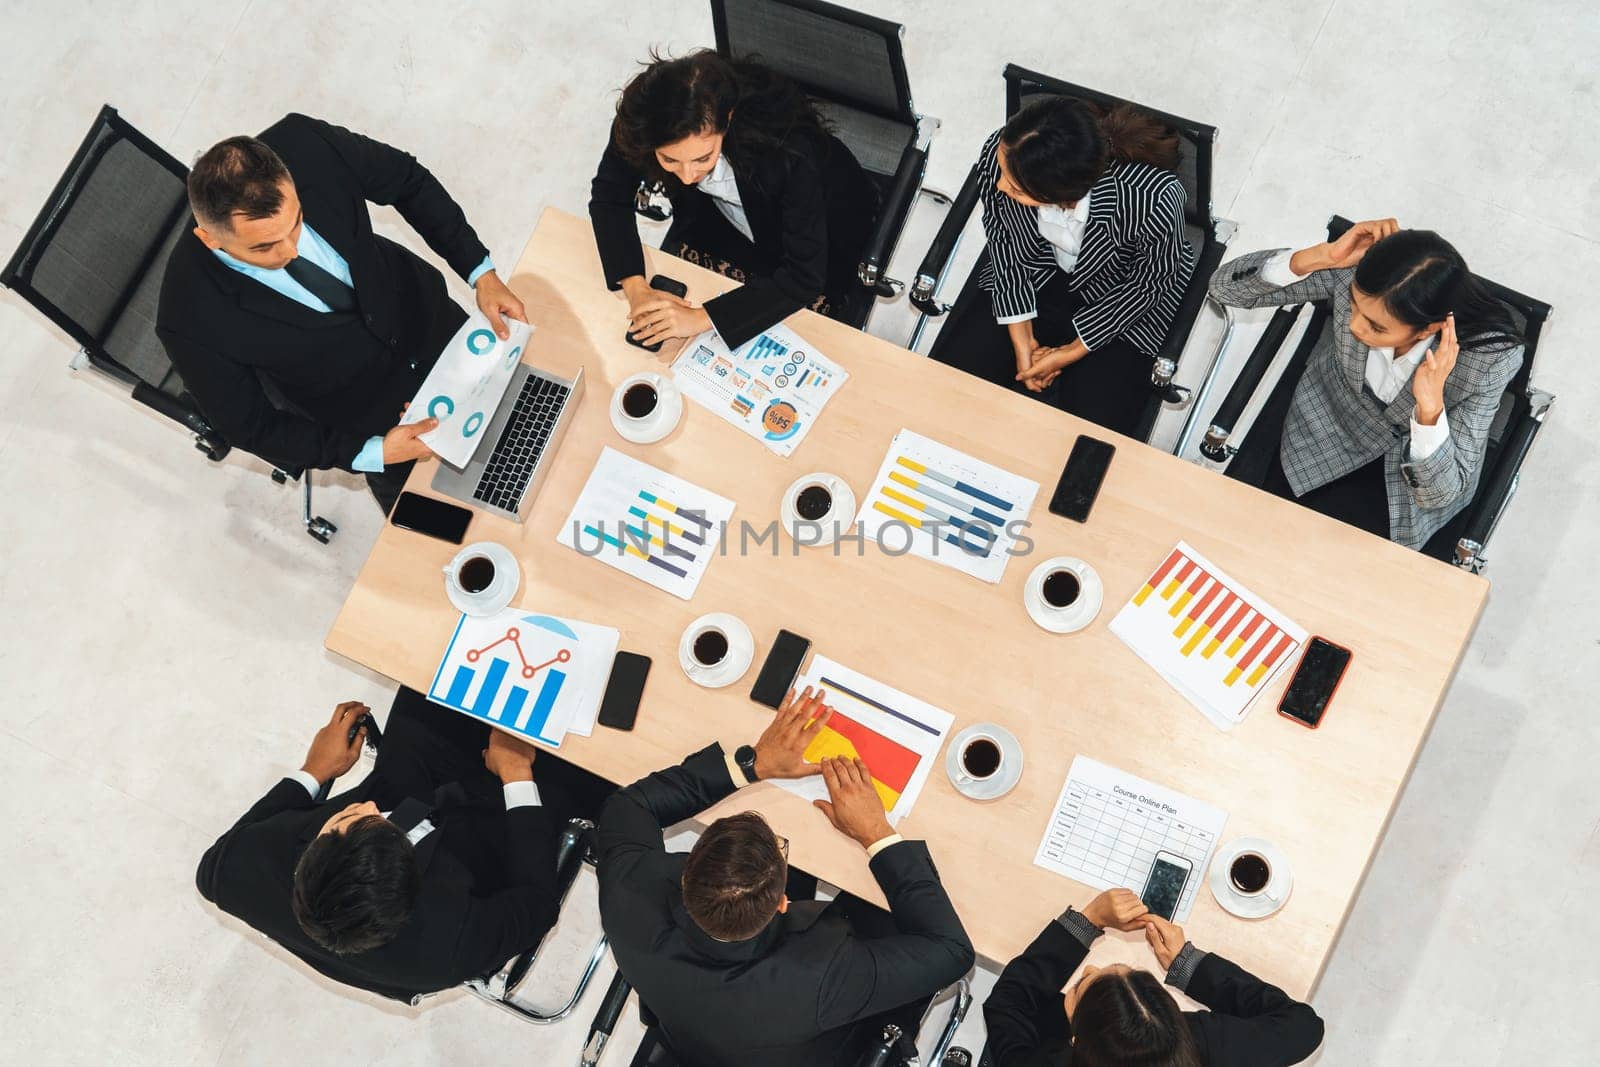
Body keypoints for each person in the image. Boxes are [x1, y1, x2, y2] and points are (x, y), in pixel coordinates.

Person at [157, 114, 527, 514]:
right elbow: (251, 425)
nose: (291, 251)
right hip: (371, 417)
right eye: (264, 249)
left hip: (432, 325)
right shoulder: (188, 317)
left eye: (296, 222)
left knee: (535, 425)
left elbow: (407, 179)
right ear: (209, 238)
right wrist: (374, 451)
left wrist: (480, 271)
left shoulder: (307, 144)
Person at [596, 687, 974, 1066]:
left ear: (688, 874)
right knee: (889, 904)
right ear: (782, 902)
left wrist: (750, 765)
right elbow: (952, 951)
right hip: (810, 1040)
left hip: (696, 1025)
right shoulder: (822, 980)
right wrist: (876, 833)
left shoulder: (628, 898)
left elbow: (630, 805)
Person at [196, 687, 612, 1003]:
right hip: (497, 833)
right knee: (603, 733)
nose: (369, 805)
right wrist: (518, 775)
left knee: (447, 670)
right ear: (411, 870)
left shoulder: (231, 871)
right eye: (378, 821)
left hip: (407, 778)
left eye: (344, 818)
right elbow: (538, 903)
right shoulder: (453, 948)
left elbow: (249, 832)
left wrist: (315, 771)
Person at [1209, 220, 1525, 548]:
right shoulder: (1352, 274)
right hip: (1323, 436)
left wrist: (1430, 411)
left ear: (1427, 329)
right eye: (1355, 307)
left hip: (1405, 488)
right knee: (1256, 545)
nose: (1356, 327)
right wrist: (1321, 256)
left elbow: (1440, 493)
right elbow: (1224, 288)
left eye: (1376, 326)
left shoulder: (1489, 360)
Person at [930, 96, 1195, 438]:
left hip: (1123, 297)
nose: (1000, 186)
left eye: (1016, 188)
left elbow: (1153, 282)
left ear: (1062, 193)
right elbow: (1005, 244)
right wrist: (1023, 340)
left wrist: (1069, 351)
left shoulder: (1152, 196)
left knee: (1092, 433)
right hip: (1034, 274)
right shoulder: (1003, 155)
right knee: (950, 387)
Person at [589, 50, 880, 351]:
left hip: (822, 230)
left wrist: (701, 318)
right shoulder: (647, 122)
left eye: (703, 157)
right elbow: (609, 195)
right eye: (670, 160)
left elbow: (804, 277)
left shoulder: (787, 152)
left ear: (726, 119)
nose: (688, 176)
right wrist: (636, 289)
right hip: (725, 224)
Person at [984, 888, 1325, 1065]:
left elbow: (1007, 1003)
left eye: (1083, 984)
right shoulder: (1209, 1044)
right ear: (1173, 1017)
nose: (1090, 967)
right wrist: (1188, 965)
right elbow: (1304, 1026)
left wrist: (1088, 920)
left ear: (1076, 1035)